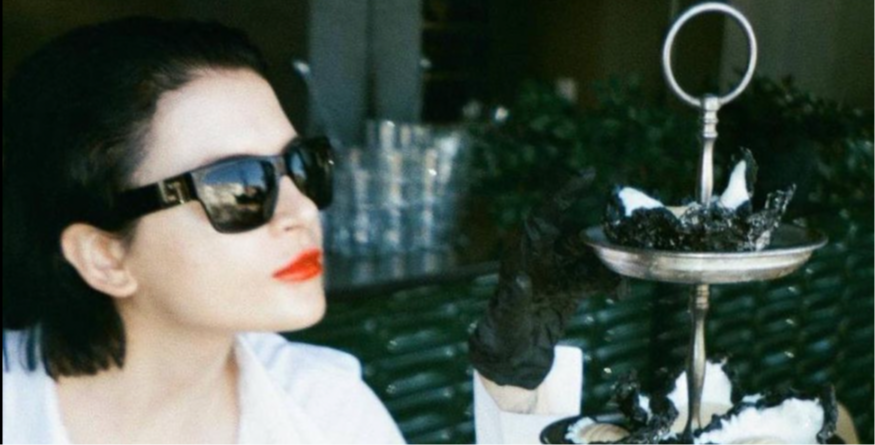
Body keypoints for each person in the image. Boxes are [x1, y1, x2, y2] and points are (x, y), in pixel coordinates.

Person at [2, 16, 619, 445]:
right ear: (104, 256)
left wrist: (514, 394)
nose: (302, 211)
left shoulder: (323, 408)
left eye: (303, 167)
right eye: (240, 187)